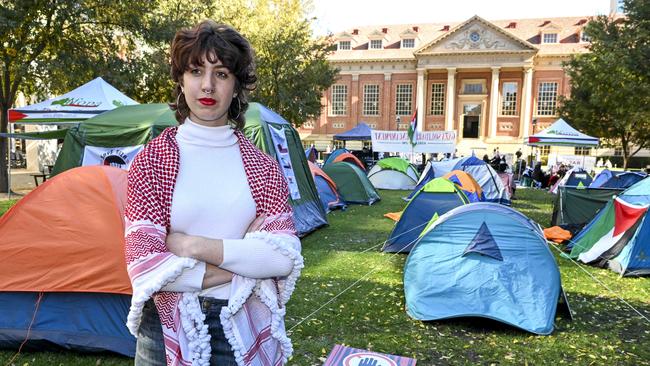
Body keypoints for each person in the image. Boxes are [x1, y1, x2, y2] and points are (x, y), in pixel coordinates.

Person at [124, 21, 303, 366]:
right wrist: (246, 258)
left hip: (239, 323)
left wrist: (192, 246)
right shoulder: (151, 160)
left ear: (236, 86)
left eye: (221, 73)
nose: (207, 85)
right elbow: (144, 264)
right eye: (195, 71)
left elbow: (283, 258)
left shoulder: (263, 167)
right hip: (164, 327)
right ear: (181, 80)